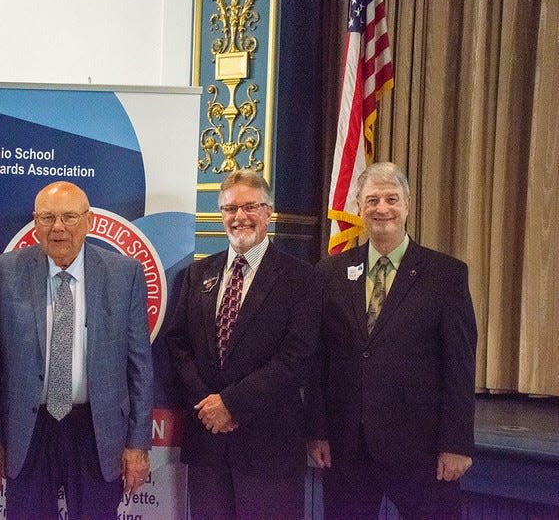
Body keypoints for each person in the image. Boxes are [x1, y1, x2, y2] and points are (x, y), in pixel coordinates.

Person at [0, 181, 153, 520]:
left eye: (69, 216)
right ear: (35, 222)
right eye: (47, 217)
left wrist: (138, 444)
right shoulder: (5, 271)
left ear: (89, 221)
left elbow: (139, 368)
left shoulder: (124, 274)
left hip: (97, 433)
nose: (58, 227)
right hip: (27, 431)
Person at [307, 162, 477, 519]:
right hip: (347, 447)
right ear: (358, 206)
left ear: (408, 205)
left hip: (424, 451)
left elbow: (460, 365)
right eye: (372, 200)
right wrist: (318, 431)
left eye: (391, 199)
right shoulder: (330, 273)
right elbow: (318, 360)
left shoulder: (446, 274)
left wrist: (456, 443)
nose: (381, 208)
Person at [165, 170, 319, 519]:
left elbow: (296, 357)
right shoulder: (196, 275)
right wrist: (209, 406)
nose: (240, 217)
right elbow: (178, 345)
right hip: (208, 445)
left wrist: (231, 404)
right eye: (230, 208)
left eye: (250, 206)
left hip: (269, 447)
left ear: (269, 212)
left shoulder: (302, 278)